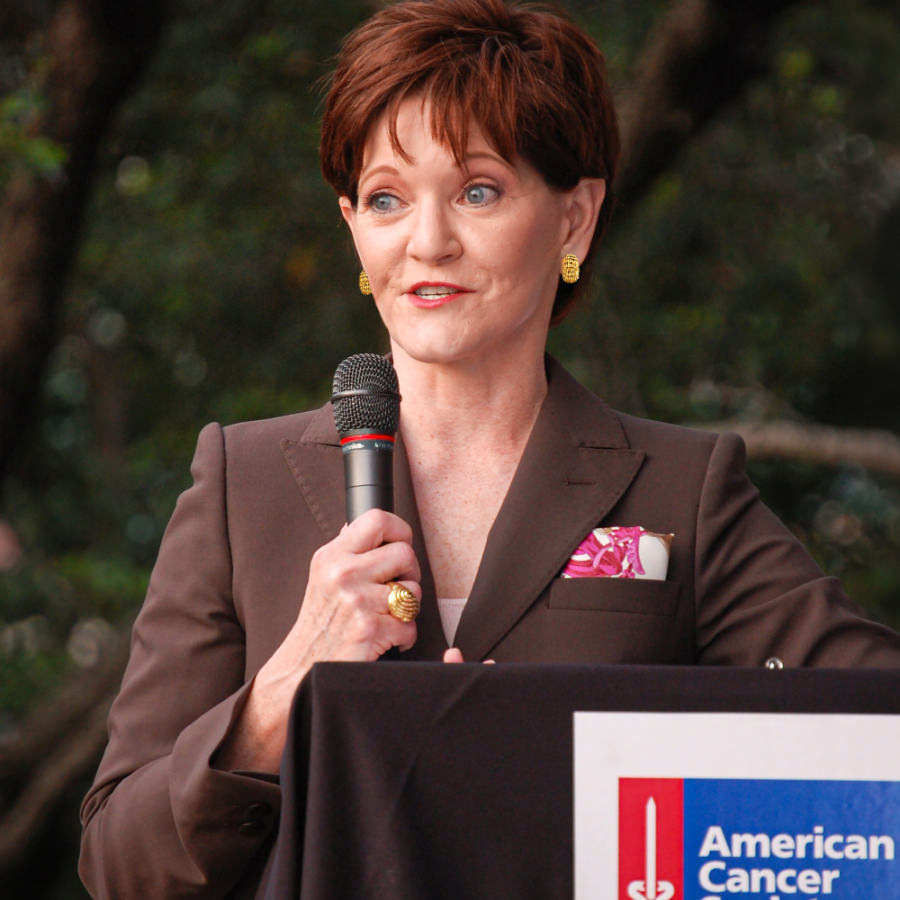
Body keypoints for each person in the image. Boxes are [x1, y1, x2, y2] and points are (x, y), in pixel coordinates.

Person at [78, 0, 900, 897]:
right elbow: (120, 864)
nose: (427, 242)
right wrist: (280, 698)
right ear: (352, 222)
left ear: (576, 219)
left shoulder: (681, 490)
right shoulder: (242, 483)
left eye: (477, 191)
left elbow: (872, 743)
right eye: (387, 198)